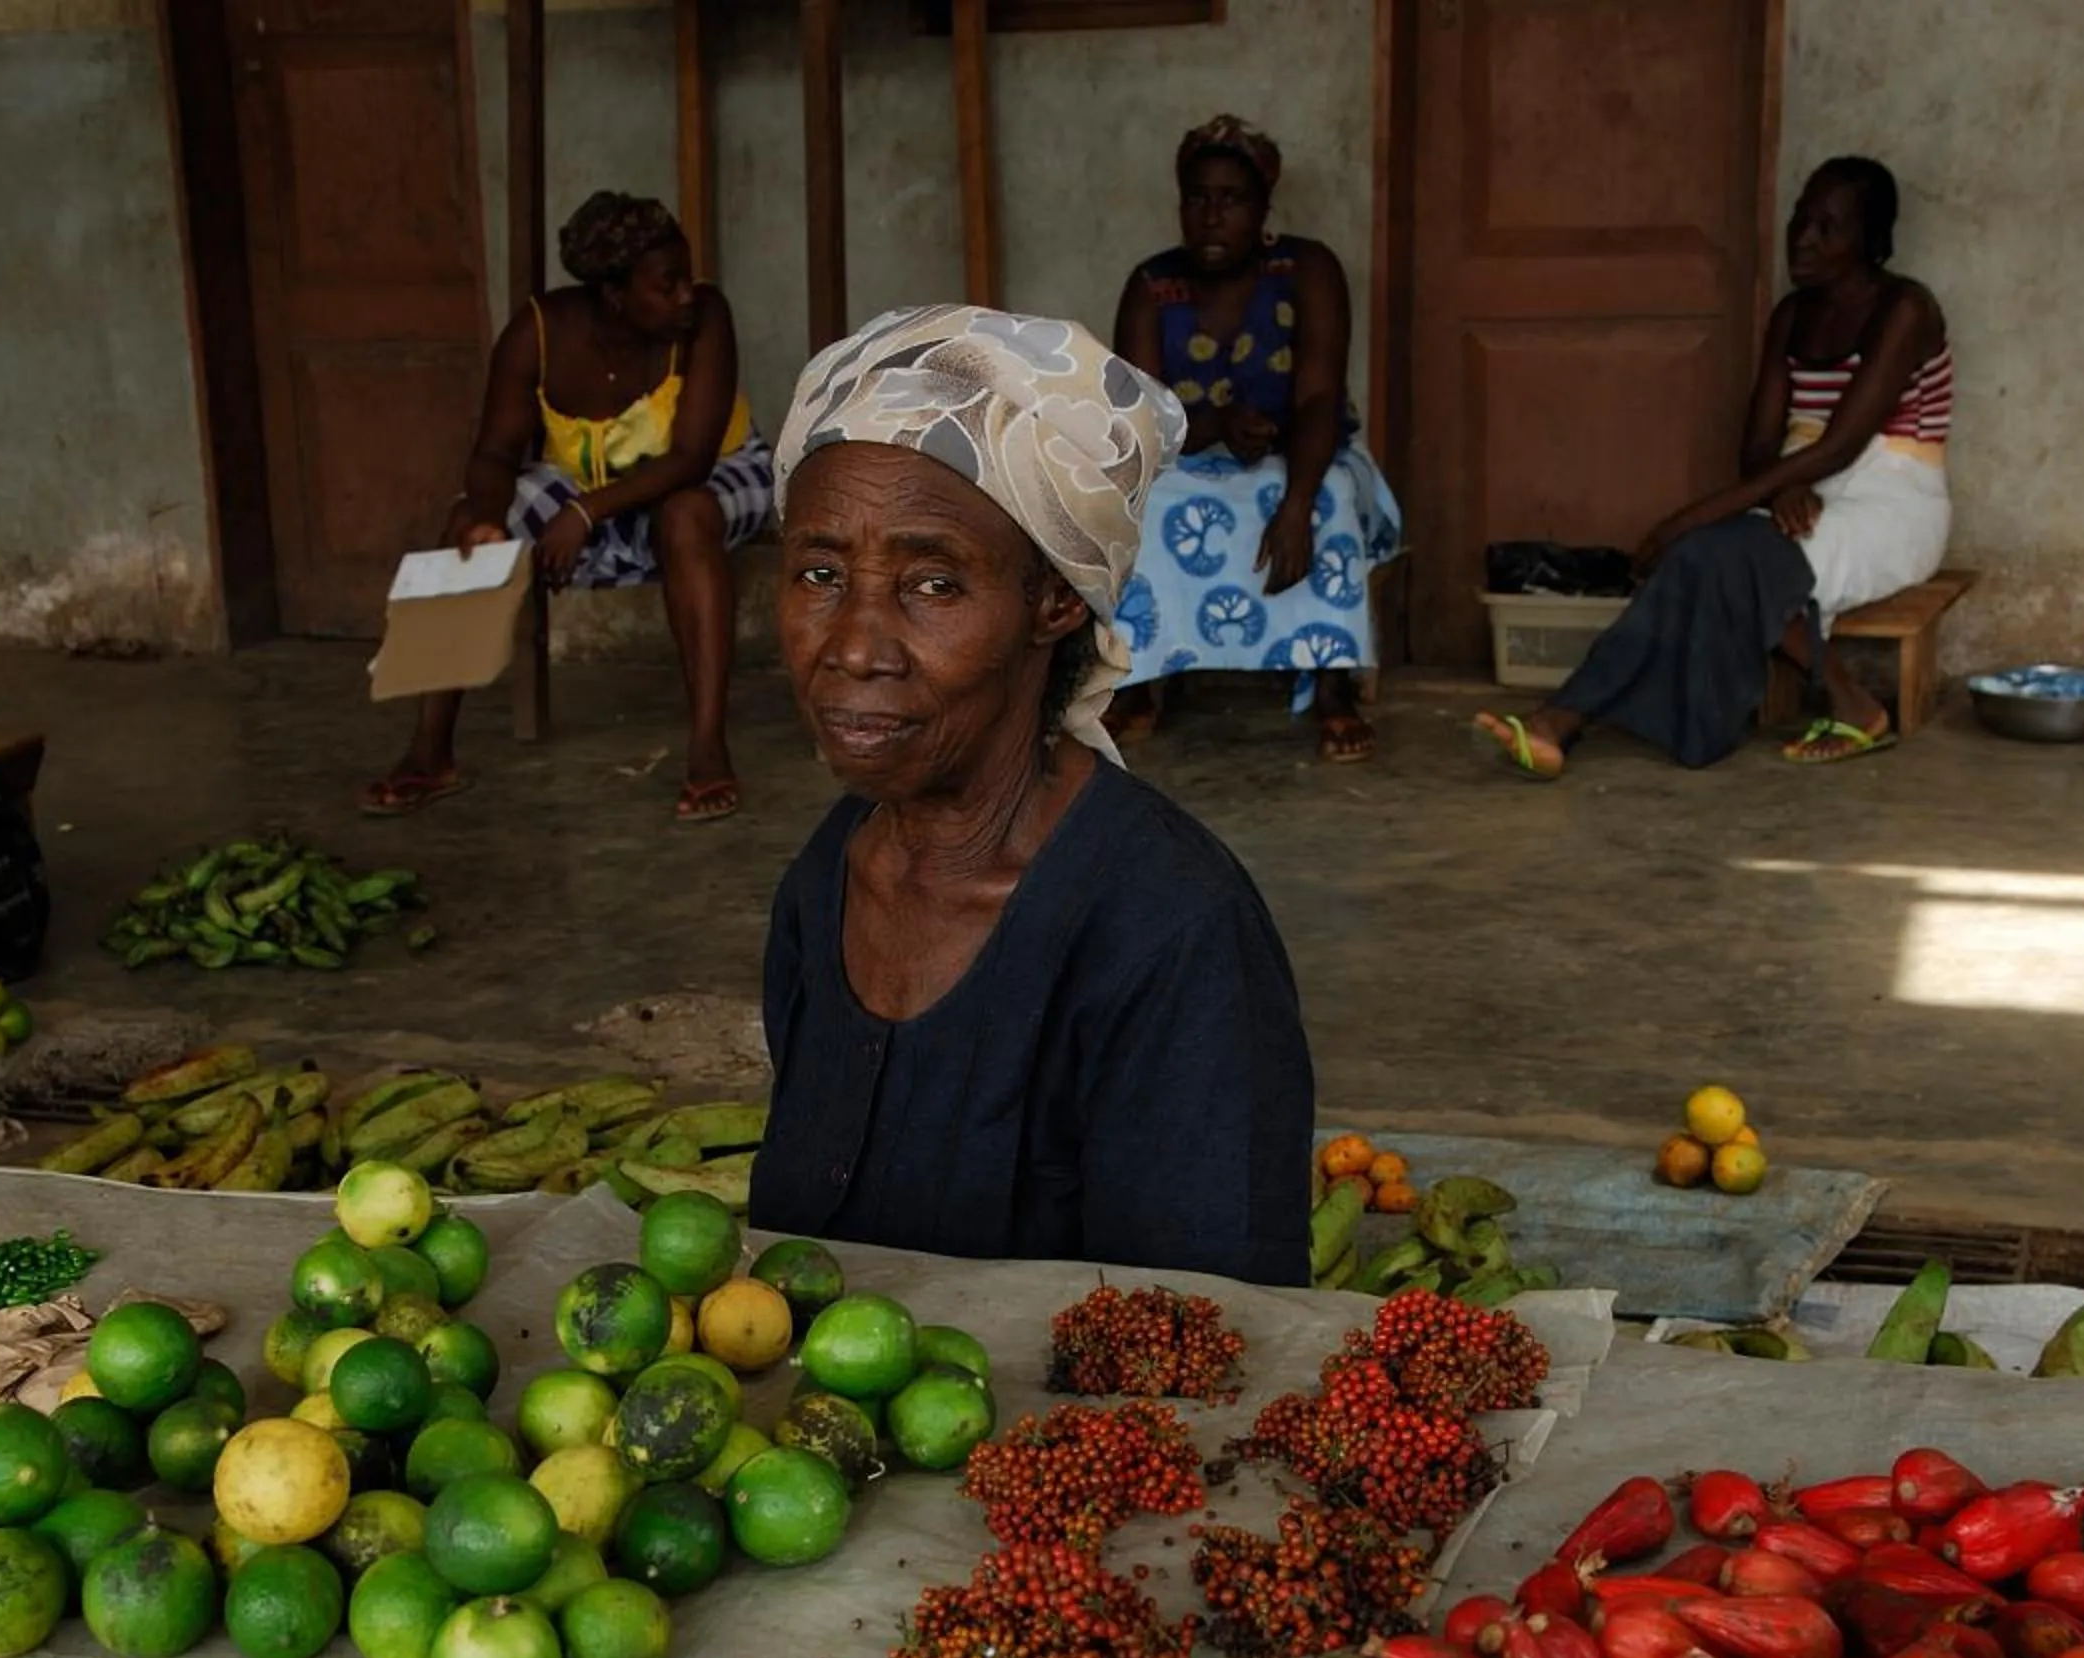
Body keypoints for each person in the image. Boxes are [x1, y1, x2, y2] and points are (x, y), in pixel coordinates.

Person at [749, 305, 1316, 1285]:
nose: (851, 645)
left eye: (932, 584)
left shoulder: (1174, 932)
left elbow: (1214, 1346)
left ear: (1056, 600)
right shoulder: (828, 881)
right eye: (819, 572)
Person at [1476, 157, 1951, 776]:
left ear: (1869, 242)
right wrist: (1787, 484)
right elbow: (1758, 447)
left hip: (1895, 504)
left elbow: (1840, 447)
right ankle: (1563, 721)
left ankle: (1563, 717)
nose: (1803, 238)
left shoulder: (1906, 309)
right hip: (1802, 485)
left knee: (1712, 552)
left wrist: (1681, 524)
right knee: (1717, 555)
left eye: (1828, 228)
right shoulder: (1792, 315)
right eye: (1800, 219)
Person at [363, 192, 773, 822]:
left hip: (716, 476)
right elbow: (496, 454)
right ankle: (429, 754)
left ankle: (708, 749)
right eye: (665, 287)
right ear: (614, 294)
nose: (685, 296)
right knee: (464, 529)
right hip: (587, 486)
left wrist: (583, 513)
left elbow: (690, 458)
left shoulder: (704, 320)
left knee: (685, 514)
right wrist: (487, 514)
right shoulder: (538, 334)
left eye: (685, 278)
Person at [1107, 115, 1405, 763]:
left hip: (1305, 448)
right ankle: (1141, 677)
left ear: (1264, 210)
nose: (1213, 216)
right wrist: (1214, 426)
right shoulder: (1152, 287)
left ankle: (1331, 683)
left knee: (1328, 501)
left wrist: (1296, 504)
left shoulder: (1306, 269)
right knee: (1140, 502)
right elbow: (1139, 420)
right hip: (1187, 452)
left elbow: (1321, 398)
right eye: (1198, 199)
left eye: (1232, 200)